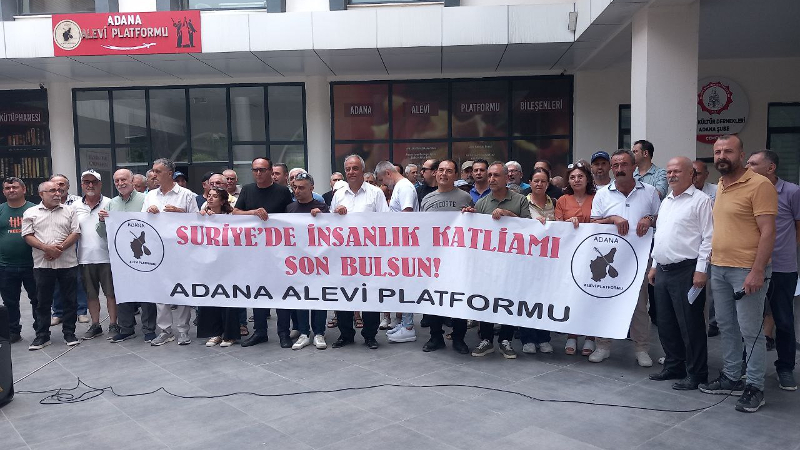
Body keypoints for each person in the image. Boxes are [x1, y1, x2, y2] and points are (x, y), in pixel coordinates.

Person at [698, 135, 777, 413]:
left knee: (750, 331)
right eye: (718, 151)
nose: (722, 156)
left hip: (747, 270)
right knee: (726, 326)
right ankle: (732, 376)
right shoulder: (721, 184)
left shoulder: (760, 185)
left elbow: (768, 231)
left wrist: (757, 271)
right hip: (719, 267)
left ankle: (755, 386)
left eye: (728, 151)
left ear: (741, 155)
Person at [647, 157, 713, 391]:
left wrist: (701, 270)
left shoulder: (701, 201)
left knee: (690, 324)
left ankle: (697, 373)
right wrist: (654, 264)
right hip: (663, 270)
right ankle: (674, 365)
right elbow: (661, 235)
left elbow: (708, 238)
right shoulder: (666, 201)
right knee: (665, 323)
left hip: (687, 270)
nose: (671, 175)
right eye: (669, 171)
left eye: (677, 171)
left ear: (690, 174)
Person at [590, 149, 660, 366]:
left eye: (624, 164)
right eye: (616, 165)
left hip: (639, 259)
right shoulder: (602, 194)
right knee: (606, 301)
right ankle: (603, 346)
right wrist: (612, 218)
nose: (620, 169)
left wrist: (649, 219)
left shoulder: (650, 192)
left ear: (633, 167)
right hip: (608, 259)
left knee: (639, 305)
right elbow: (593, 224)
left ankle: (641, 349)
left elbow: (661, 219)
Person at [463, 162, 531, 359]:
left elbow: (529, 227)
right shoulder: (482, 203)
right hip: (488, 262)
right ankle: (486, 339)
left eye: (496, 175)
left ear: (506, 178)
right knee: (486, 298)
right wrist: (469, 217)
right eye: (490, 175)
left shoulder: (519, 200)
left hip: (512, 261)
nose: (491, 179)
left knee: (509, 298)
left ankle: (505, 340)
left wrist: (508, 215)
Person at [745, 150, 798, 391]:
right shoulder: (747, 190)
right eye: (747, 163)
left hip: (782, 268)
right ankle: (747, 365)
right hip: (749, 265)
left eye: (753, 163)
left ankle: (785, 367)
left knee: (784, 319)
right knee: (748, 320)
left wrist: (785, 250)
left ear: (771, 167)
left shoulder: (791, 192)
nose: (748, 167)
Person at [330, 154, 391, 350]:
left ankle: (370, 335)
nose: (351, 172)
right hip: (344, 255)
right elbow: (330, 225)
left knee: (369, 295)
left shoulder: (375, 193)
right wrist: (336, 214)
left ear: (363, 170)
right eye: (348, 169)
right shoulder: (338, 194)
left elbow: (385, 222)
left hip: (369, 255)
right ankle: (345, 334)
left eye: (355, 168)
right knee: (344, 295)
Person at [234, 158, 293, 348]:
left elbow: (292, 217)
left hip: (279, 251)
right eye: (255, 170)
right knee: (258, 292)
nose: (258, 173)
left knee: (281, 292)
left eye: (262, 170)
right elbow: (235, 212)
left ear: (270, 171)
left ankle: (284, 333)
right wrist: (252, 213)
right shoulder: (247, 190)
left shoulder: (283, 191)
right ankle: (260, 332)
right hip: (255, 252)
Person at [142, 158, 200, 346]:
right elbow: (142, 220)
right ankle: (165, 330)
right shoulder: (150, 195)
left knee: (182, 289)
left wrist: (180, 213)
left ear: (169, 173)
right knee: (161, 291)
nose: (153, 175)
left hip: (181, 250)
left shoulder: (186, 195)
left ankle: (183, 330)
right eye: (153, 171)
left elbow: (198, 222)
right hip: (158, 250)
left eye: (158, 171)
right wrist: (148, 212)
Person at [419, 160, 473, 354]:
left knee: (458, 299)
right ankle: (436, 337)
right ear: (435, 173)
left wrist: (471, 215)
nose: (444, 174)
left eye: (449, 171)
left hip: (458, 259)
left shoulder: (465, 198)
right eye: (441, 170)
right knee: (434, 299)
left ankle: (459, 338)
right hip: (434, 258)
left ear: (455, 175)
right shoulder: (427, 199)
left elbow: (473, 227)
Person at [22, 181, 81, 350]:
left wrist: (58, 249)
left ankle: (69, 333)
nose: (57, 193)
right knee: (42, 301)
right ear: (41, 194)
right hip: (43, 264)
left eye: (59, 190)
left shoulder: (70, 210)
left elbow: (76, 232)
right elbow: (27, 235)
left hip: (67, 263)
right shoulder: (31, 212)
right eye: (52, 191)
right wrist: (46, 248)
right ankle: (42, 335)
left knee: (70, 300)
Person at [97, 169, 154, 343]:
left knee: (147, 293)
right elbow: (102, 233)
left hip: (144, 257)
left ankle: (149, 329)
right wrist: (101, 221)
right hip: (121, 257)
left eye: (123, 180)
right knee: (123, 292)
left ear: (132, 180)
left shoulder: (146, 200)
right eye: (117, 181)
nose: (120, 183)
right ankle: (126, 328)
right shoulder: (111, 204)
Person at [374, 161, 419, 344]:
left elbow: (406, 216)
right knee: (403, 284)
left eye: (382, 180)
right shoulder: (401, 187)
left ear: (387, 173)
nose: (383, 185)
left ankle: (408, 327)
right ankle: (405, 323)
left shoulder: (405, 187)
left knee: (406, 285)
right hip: (400, 244)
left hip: (405, 244)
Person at [555, 162, 597, 356]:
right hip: (570, 255)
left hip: (593, 255)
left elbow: (602, 221)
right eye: (572, 177)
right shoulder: (562, 200)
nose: (576, 180)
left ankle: (590, 336)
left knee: (590, 295)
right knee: (571, 295)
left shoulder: (597, 198)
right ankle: (572, 334)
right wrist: (566, 223)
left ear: (587, 179)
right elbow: (557, 227)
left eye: (580, 176)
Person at [286, 173, 330, 350]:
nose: (297, 191)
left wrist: (323, 217)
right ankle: (303, 332)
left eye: (301, 187)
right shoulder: (289, 208)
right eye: (295, 187)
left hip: (319, 262)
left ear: (312, 188)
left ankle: (319, 332)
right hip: (297, 262)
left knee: (319, 296)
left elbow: (332, 231)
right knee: (301, 296)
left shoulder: (323, 207)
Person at [196, 188, 241, 348]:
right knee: (210, 297)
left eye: (215, 196)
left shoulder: (231, 217)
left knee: (228, 300)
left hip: (229, 264)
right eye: (209, 196)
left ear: (222, 201)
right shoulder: (203, 215)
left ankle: (230, 335)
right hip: (209, 264)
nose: (210, 198)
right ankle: (215, 333)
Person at [75, 170, 116, 340]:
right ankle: (95, 324)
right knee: (91, 294)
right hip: (84, 257)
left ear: (100, 184)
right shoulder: (75, 206)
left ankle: (113, 324)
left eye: (94, 182)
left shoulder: (110, 203)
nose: (90, 185)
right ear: (82, 185)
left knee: (111, 294)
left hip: (108, 257)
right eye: (87, 182)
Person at [519, 167, 554, 354]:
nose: (539, 184)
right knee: (526, 299)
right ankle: (528, 338)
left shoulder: (554, 203)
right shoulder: (522, 202)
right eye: (536, 181)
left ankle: (544, 337)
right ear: (530, 183)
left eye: (543, 181)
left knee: (545, 299)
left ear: (548, 184)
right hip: (526, 259)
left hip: (548, 261)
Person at [0, 177, 38, 343]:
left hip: (33, 264)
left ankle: (41, 331)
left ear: (24, 189)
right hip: (5, 265)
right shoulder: (1, 210)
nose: (11, 190)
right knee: (10, 302)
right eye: (7, 188)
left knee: (37, 299)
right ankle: (13, 331)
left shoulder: (34, 209)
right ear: (3, 192)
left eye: (15, 187)